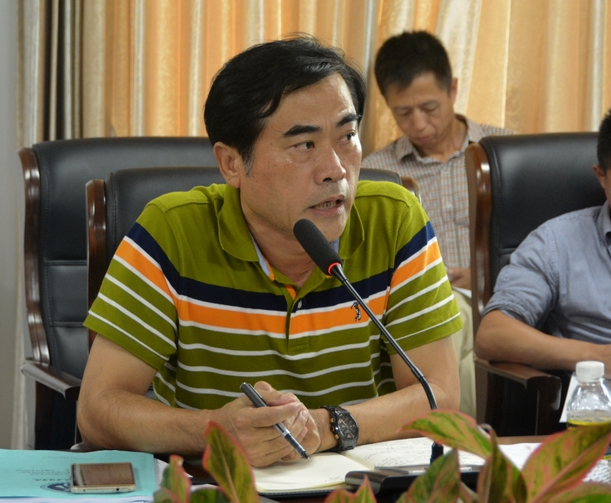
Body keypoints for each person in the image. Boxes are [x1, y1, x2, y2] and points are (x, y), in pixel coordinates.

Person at [77, 36, 462, 468]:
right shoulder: (172, 231)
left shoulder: (395, 220)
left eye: (347, 136)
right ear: (232, 164)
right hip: (220, 485)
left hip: (354, 487)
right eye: (304, 145)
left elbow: (440, 395)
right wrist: (215, 430)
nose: (335, 170)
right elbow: (97, 409)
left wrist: (326, 427)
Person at [474, 96, 611, 385]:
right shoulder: (556, 242)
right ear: (601, 176)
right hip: (605, 401)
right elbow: (493, 335)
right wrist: (597, 356)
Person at [362, 30, 511, 417]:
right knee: (447, 318)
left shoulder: (503, 153)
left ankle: (445, 438)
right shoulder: (378, 172)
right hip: (425, 304)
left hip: (505, 296)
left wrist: (485, 276)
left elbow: (542, 243)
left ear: (453, 90)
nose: (419, 123)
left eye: (429, 107)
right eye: (403, 113)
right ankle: (462, 439)